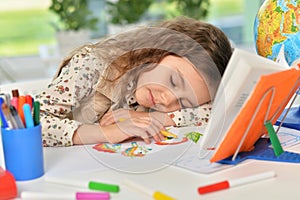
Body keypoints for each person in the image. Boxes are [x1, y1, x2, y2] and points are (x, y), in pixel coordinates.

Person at [35, 16, 232, 147]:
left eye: (183, 103)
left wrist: (161, 119)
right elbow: (29, 125)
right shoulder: (93, 65)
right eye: (173, 80)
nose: (167, 100)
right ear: (159, 50)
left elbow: (220, 110)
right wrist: (108, 133)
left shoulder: (158, 99)